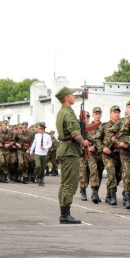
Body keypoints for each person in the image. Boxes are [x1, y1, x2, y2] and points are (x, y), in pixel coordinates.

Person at [55, 86, 89, 224]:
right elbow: (75, 134)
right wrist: (84, 142)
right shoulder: (68, 113)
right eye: (71, 95)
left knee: (64, 183)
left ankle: (64, 212)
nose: (73, 96)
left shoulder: (61, 112)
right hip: (70, 150)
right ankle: (65, 215)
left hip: (64, 149)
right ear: (66, 98)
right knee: (70, 183)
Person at [29, 122, 52, 186]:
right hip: (37, 153)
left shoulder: (47, 136)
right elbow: (34, 143)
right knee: (38, 166)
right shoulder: (37, 135)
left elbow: (50, 144)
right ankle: (38, 176)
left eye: (39, 129)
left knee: (43, 167)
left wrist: (44, 147)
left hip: (44, 153)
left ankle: (41, 180)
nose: (38, 130)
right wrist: (31, 151)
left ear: (43, 129)